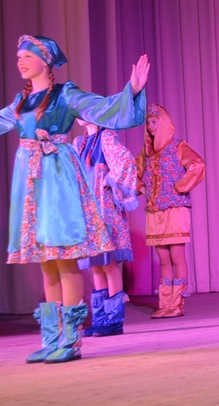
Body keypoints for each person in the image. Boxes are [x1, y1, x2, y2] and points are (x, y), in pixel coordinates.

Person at [0, 35, 149, 363]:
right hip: (33, 183)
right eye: (18, 56)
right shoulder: (21, 101)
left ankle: (71, 339)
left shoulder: (64, 94)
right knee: (46, 263)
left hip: (58, 179)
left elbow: (100, 108)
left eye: (27, 55)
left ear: (45, 61)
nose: (20, 61)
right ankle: (52, 338)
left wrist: (133, 90)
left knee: (64, 259)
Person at [137, 104, 205, 318]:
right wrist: (141, 188)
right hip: (154, 212)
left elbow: (197, 164)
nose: (150, 126)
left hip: (175, 209)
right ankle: (165, 304)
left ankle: (177, 304)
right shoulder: (147, 152)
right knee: (163, 259)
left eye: (154, 122)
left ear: (164, 123)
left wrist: (180, 186)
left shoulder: (178, 146)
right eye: (148, 123)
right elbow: (133, 174)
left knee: (177, 256)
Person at [74, 119, 139, 337]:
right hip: (88, 210)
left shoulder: (106, 137)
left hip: (105, 208)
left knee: (109, 264)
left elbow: (126, 162)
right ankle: (100, 319)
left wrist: (107, 180)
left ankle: (114, 320)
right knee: (95, 265)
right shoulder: (79, 142)